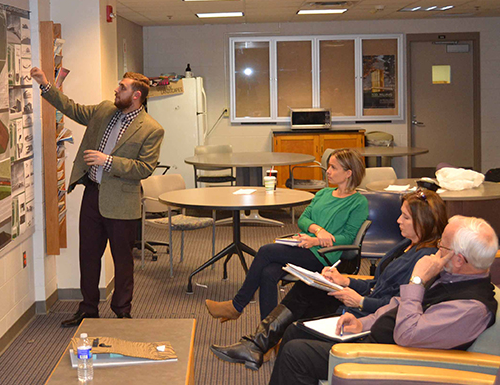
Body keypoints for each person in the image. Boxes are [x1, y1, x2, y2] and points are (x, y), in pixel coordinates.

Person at [210, 189, 447, 370]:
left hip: (369, 316)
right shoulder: (408, 245)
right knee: (305, 287)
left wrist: (361, 301)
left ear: (422, 222)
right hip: (362, 300)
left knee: (291, 287)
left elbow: (397, 303)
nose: (398, 221)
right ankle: (256, 343)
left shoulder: (425, 259)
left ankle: (256, 344)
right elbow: (378, 283)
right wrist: (345, 280)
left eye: (404, 218)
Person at [269, 215, 499, 385]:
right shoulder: (450, 278)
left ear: (458, 259)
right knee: (295, 332)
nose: (437, 251)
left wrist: (418, 282)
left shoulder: (471, 308)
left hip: (391, 360)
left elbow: (407, 334)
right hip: (378, 339)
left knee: (295, 354)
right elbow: (398, 305)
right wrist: (364, 323)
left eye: (442, 246)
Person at [30, 67, 164, 327]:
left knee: (123, 260)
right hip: (93, 195)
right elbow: (73, 108)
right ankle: (87, 309)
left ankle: (122, 311)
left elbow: (144, 168)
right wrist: (46, 85)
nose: (116, 89)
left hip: (122, 203)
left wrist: (108, 161)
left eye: (122, 87)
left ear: (136, 95)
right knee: (88, 255)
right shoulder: (104, 111)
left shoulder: (151, 129)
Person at [205, 149, 368, 322]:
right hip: (305, 246)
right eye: (328, 166)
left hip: (323, 256)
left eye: (334, 168)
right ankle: (267, 334)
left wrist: (316, 240)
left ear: (349, 173)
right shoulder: (323, 193)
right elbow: (303, 219)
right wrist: (317, 230)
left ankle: (236, 306)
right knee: (268, 273)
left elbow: (349, 237)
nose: (328, 171)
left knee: (266, 251)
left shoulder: (358, 202)